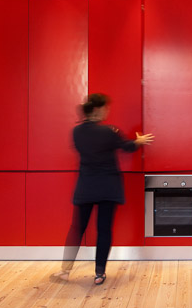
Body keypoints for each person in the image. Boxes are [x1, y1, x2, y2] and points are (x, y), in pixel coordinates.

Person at [53, 93, 154, 285]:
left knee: (77, 228)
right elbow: (127, 147)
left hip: (86, 186)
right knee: (104, 230)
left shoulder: (76, 132)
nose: (107, 111)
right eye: (106, 108)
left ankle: (65, 271)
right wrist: (139, 141)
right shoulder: (110, 131)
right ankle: (100, 273)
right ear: (97, 110)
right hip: (108, 186)